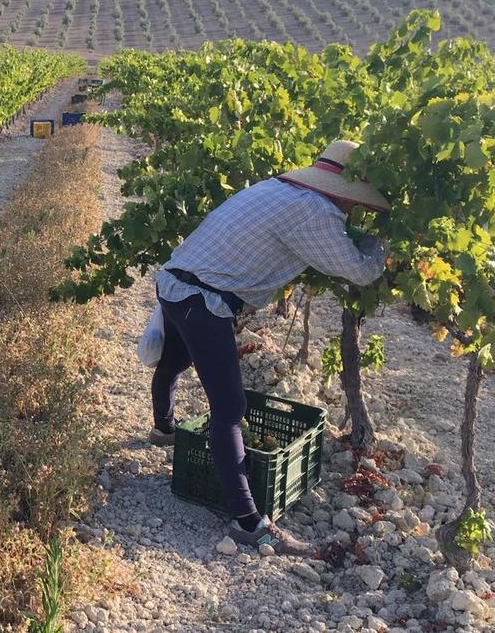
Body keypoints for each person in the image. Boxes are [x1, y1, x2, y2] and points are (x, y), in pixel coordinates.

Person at [149, 140, 390, 554]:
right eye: (356, 202)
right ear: (344, 193)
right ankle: (248, 522)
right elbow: (360, 271)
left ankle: (163, 429)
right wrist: (386, 245)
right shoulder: (315, 212)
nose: (355, 210)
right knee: (229, 409)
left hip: (175, 281)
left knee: (174, 362)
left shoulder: (280, 190)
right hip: (202, 302)